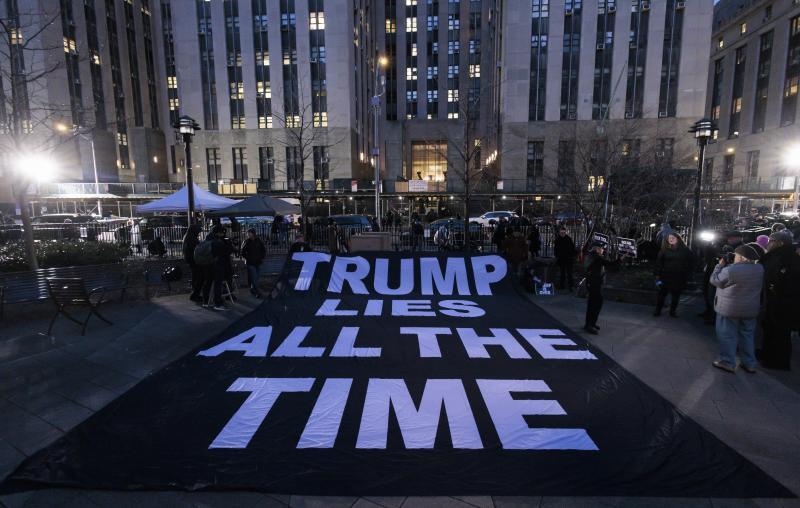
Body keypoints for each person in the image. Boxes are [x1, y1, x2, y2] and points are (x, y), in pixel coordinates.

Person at [709, 243, 764, 373]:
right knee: (747, 336)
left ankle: (727, 362)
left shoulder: (731, 270)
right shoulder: (760, 269)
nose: (734, 257)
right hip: (750, 310)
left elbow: (715, 280)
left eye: (736, 255)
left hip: (729, 309)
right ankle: (749, 363)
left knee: (727, 335)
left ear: (741, 257)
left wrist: (719, 266)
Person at [758, 231, 799, 370]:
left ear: (780, 243)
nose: (769, 243)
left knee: (780, 332)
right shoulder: (776, 256)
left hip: (783, 302)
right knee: (769, 328)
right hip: (772, 299)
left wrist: (776, 290)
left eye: (771, 241)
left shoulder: (788, 258)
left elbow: (789, 281)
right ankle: (767, 353)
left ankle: (779, 361)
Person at [583, 241, 620, 334]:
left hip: (591, 283)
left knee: (592, 304)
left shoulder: (590, 256)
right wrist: (621, 258)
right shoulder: (597, 258)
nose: (603, 250)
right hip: (595, 284)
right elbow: (611, 264)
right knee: (596, 304)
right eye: (602, 248)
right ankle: (590, 325)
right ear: (597, 249)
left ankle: (590, 323)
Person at [653, 232, 693, 317]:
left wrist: (686, 272)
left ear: (678, 239)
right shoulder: (664, 250)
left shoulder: (685, 250)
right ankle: (658, 310)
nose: (671, 239)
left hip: (679, 276)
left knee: (676, 295)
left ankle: (673, 311)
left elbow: (691, 262)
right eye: (669, 238)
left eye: (673, 238)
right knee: (661, 294)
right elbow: (658, 263)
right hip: (665, 276)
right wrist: (657, 275)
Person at [202, 226, 234, 311]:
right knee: (218, 284)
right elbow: (227, 252)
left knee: (208, 282)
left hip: (207, 265)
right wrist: (228, 243)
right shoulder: (218, 242)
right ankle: (218, 303)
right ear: (218, 233)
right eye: (222, 232)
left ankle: (205, 301)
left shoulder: (207, 239)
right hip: (217, 265)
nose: (223, 234)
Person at [240, 228, 267, 298]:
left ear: (253, 233)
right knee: (254, 278)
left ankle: (253, 289)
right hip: (250, 263)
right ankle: (257, 292)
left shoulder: (259, 241)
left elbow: (263, 250)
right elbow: (242, 252)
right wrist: (247, 258)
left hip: (258, 262)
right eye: (247, 233)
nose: (248, 234)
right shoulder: (246, 241)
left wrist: (262, 257)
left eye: (249, 233)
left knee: (256, 278)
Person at [183, 224, 203, 303]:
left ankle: (195, 294)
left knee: (196, 277)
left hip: (191, 260)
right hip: (194, 260)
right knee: (198, 277)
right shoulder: (191, 238)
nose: (198, 233)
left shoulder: (188, 236)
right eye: (198, 231)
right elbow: (195, 249)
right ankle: (195, 295)